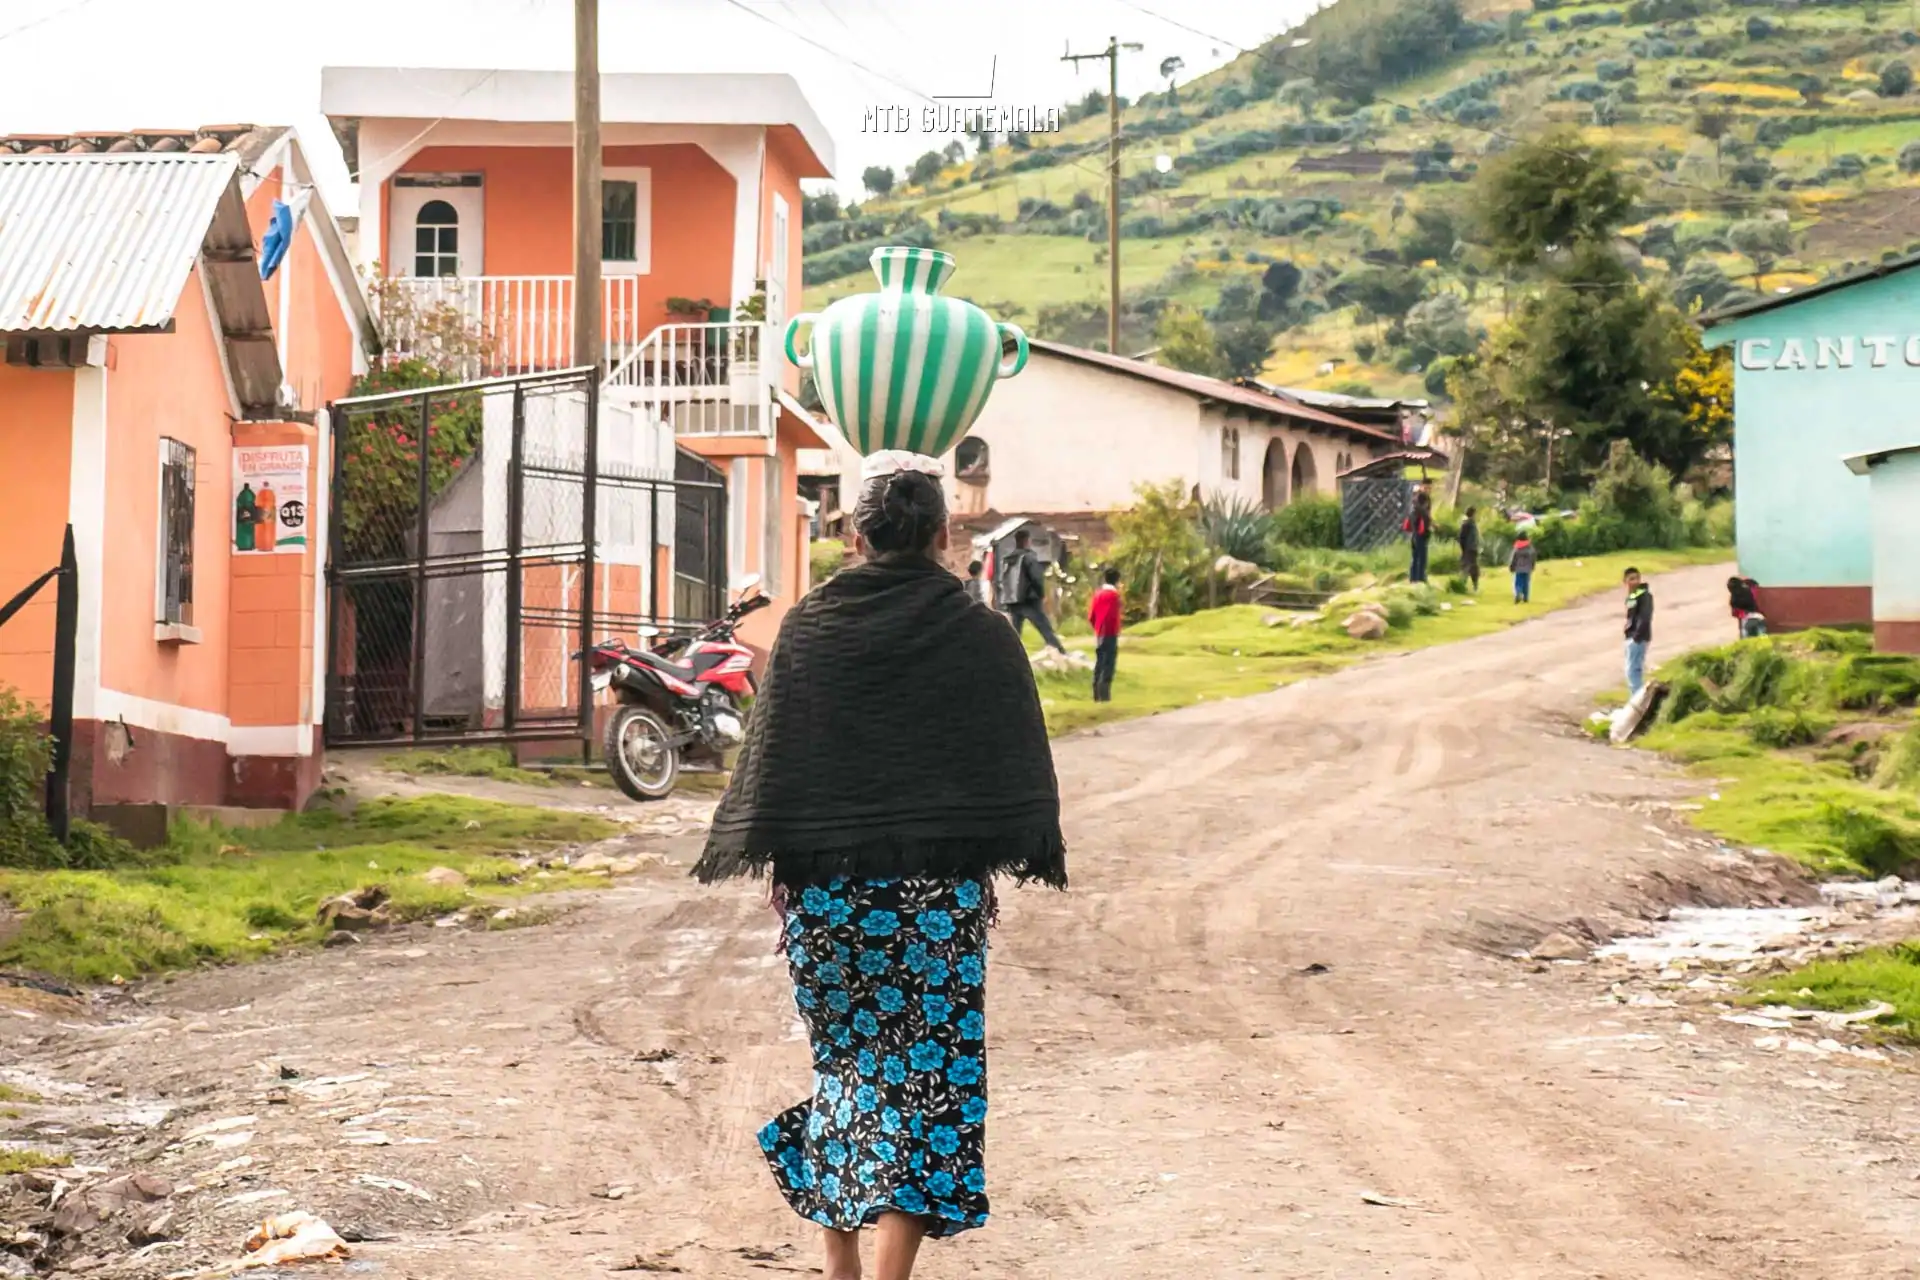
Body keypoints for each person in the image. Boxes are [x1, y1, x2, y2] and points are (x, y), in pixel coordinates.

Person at [693, 452, 1066, 1280]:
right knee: (925, 1083)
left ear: (856, 536)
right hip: (934, 903)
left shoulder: (811, 626)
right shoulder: (980, 632)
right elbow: (1013, 759)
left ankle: (843, 1268)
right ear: (942, 535)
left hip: (829, 902)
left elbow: (779, 755)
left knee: (850, 1073)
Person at [996, 528, 1065, 653]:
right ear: (1027, 541)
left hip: (1013, 600)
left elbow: (1001, 579)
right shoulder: (1028, 557)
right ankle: (1060, 651)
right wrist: (1041, 594)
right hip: (1029, 599)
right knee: (1044, 627)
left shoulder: (1008, 559)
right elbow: (1036, 578)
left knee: (1015, 632)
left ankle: (1009, 654)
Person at [1088, 567, 1123, 702]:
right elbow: (1113, 617)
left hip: (1099, 633)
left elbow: (1092, 615)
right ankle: (1104, 695)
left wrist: (1097, 628)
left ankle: (1096, 693)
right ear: (1117, 580)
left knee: (1100, 662)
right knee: (1109, 663)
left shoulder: (1098, 594)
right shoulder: (1114, 596)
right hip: (1110, 633)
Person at [1624, 567, 1654, 695]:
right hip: (1632, 636)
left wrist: (1636, 636)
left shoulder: (1644, 595)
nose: (1634, 581)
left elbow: (1645, 617)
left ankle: (1638, 702)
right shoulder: (1633, 596)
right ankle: (1636, 700)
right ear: (1625, 581)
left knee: (1633, 672)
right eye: (1631, 579)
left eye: (1636, 578)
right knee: (1631, 672)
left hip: (1638, 637)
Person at [1404, 483, 1433, 583]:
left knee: (1415, 557)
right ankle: (1420, 578)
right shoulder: (1422, 512)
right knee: (1421, 558)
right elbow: (1427, 522)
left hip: (1414, 535)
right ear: (1424, 503)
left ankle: (1413, 578)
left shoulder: (1413, 510)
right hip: (1421, 536)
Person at [1457, 506, 1481, 592]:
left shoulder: (1471, 523)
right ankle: (1462, 585)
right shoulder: (1468, 524)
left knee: (1471, 567)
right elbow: (1462, 538)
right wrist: (1464, 548)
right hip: (1469, 548)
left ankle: (1473, 586)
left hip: (1472, 548)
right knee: (1468, 567)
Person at [1508, 534, 1535, 604]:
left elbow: (1514, 559)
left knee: (1518, 584)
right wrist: (1532, 566)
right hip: (1528, 569)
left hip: (1519, 569)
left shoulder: (1517, 549)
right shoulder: (1530, 548)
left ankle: (1518, 593)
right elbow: (1533, 559)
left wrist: (1511, 567)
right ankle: (1525, 598)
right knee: (1526, 584)